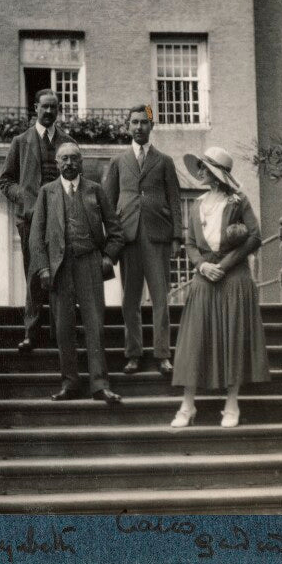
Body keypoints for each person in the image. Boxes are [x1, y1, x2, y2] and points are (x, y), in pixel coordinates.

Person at [170, 147, 271, 428]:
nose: (199, 172)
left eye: (203, 168)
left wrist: (223, 266)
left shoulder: (239, 201)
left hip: (234, 277)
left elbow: (255, 237)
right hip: (204, 277)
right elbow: (190, 243)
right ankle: (187, 406)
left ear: (215, 173)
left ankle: (231, 405)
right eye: (199, 167)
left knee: (233, 338)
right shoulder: (198, 203)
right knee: (194, 340)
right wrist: (202, 266)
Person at [30, 143, 125, 404]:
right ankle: (70, 383)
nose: (69, 163)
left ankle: (100, 385)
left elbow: (116, 231)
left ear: (81, 162)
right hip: (59, 268)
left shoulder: (95, 190)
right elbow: (36, 236)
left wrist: (108, 257)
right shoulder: (47, 193)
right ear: (57, 164)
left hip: (89, 264)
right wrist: (44, 268)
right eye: (64, 159)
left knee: (95, 326)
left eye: (74, 158)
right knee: (63, 328)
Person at [102, 104, 182, 376]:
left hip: (157, 236)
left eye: (144, 122)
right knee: (130, 299)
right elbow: (106, 202)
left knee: (161, 298)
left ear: (151, 126)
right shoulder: (118, 162)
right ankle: (133, 354)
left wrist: (177, 236)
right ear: (128, 127)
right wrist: (109, 240)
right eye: (134, 122)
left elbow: (175, 200)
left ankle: (162, 355)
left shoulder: (165, 161)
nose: (139, 127)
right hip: (129, 237)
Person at [0, 89, 77, 353]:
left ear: (58, 110)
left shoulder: (68, 142)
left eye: (53, 107)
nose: (49, 112)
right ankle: (31, 332)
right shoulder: (21, 141)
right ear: (35, 108)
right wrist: (24, 198)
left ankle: (59, 331)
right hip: (31, 220)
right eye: (44, 107)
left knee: (60, 272)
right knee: (34, 273)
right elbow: (5, 181)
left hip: (62, 219)